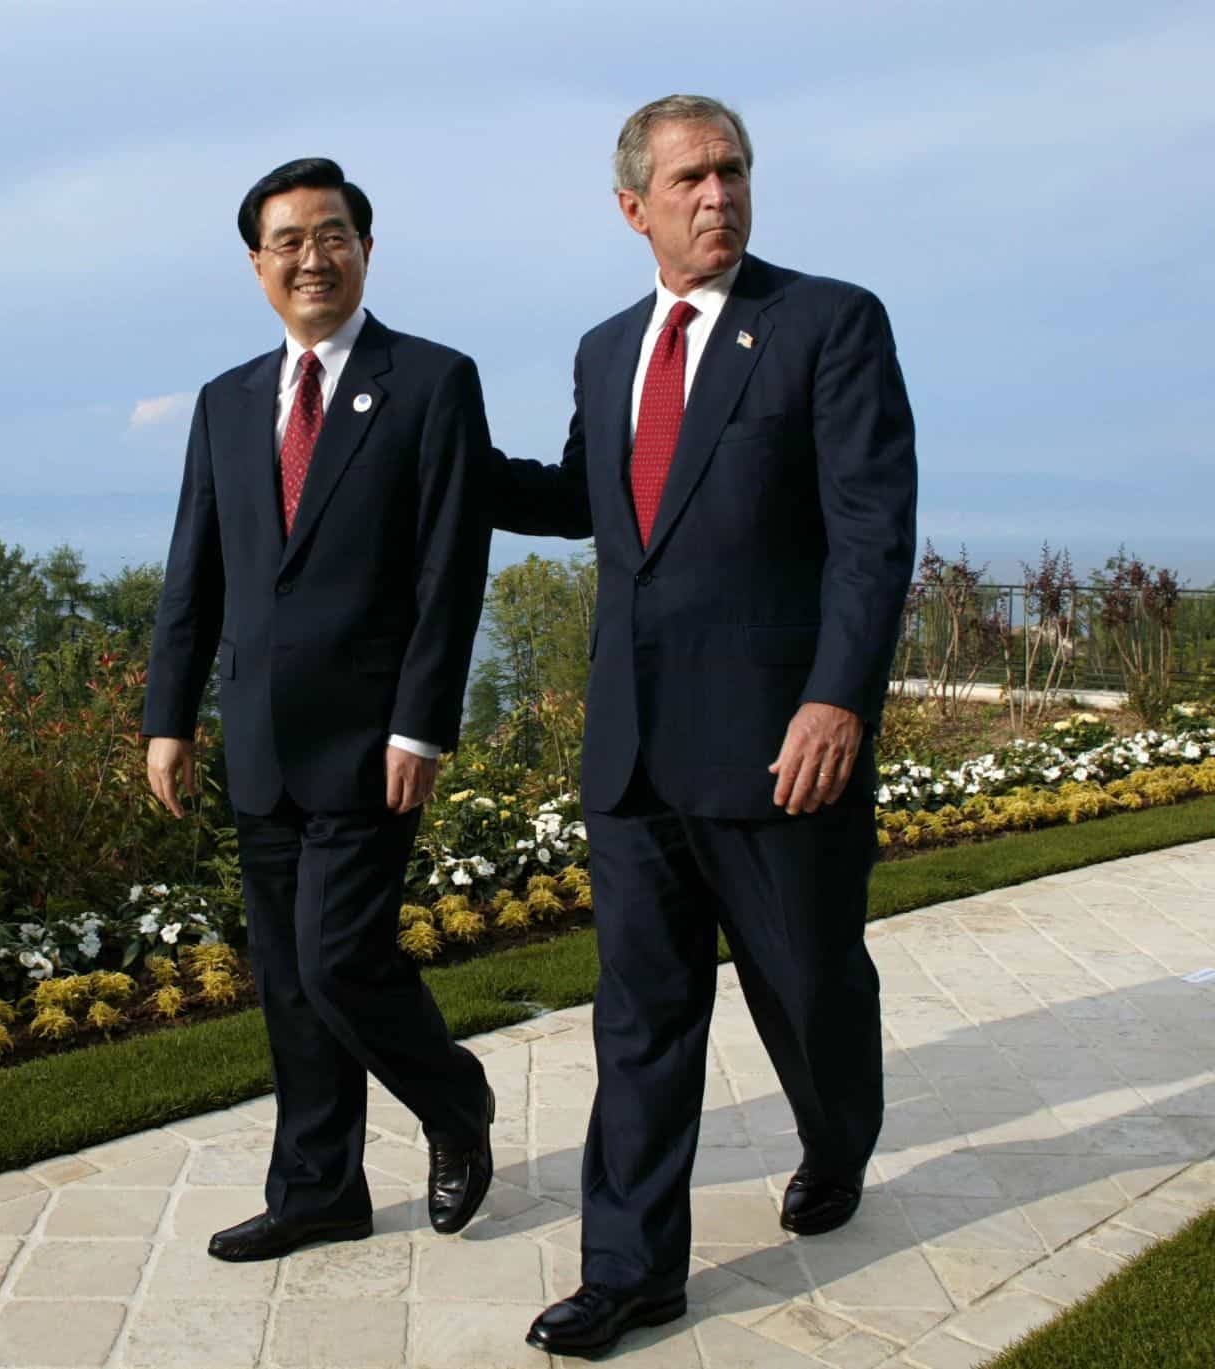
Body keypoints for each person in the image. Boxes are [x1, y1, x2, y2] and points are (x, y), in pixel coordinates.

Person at [493, 96, 917, 1358]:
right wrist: (442, 458)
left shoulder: (826, 322)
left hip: (781, 741)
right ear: (633, 206)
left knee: (811, 985)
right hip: (631, 753)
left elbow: (868, 530)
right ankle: (630, 1272)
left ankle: (837, 1137)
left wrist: (836, 695)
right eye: (688, 178)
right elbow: (588, 498)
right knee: (638, 1017)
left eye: (730, 171)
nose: (716, 195)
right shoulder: (601, 347)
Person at [143, 157, 497, 1262]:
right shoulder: (226, 400)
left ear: (364, 249)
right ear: (257, 265)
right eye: (287, 240)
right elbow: (192, 570)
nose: (312, 256)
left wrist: (420, 723)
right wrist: (170, 714)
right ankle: (317, 1191)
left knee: (341, 958)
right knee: (289, 983)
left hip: (370, 739)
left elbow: (450, 570)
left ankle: (453, 1100)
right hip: (256, 738)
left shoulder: (432, 381)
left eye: (331, 234)